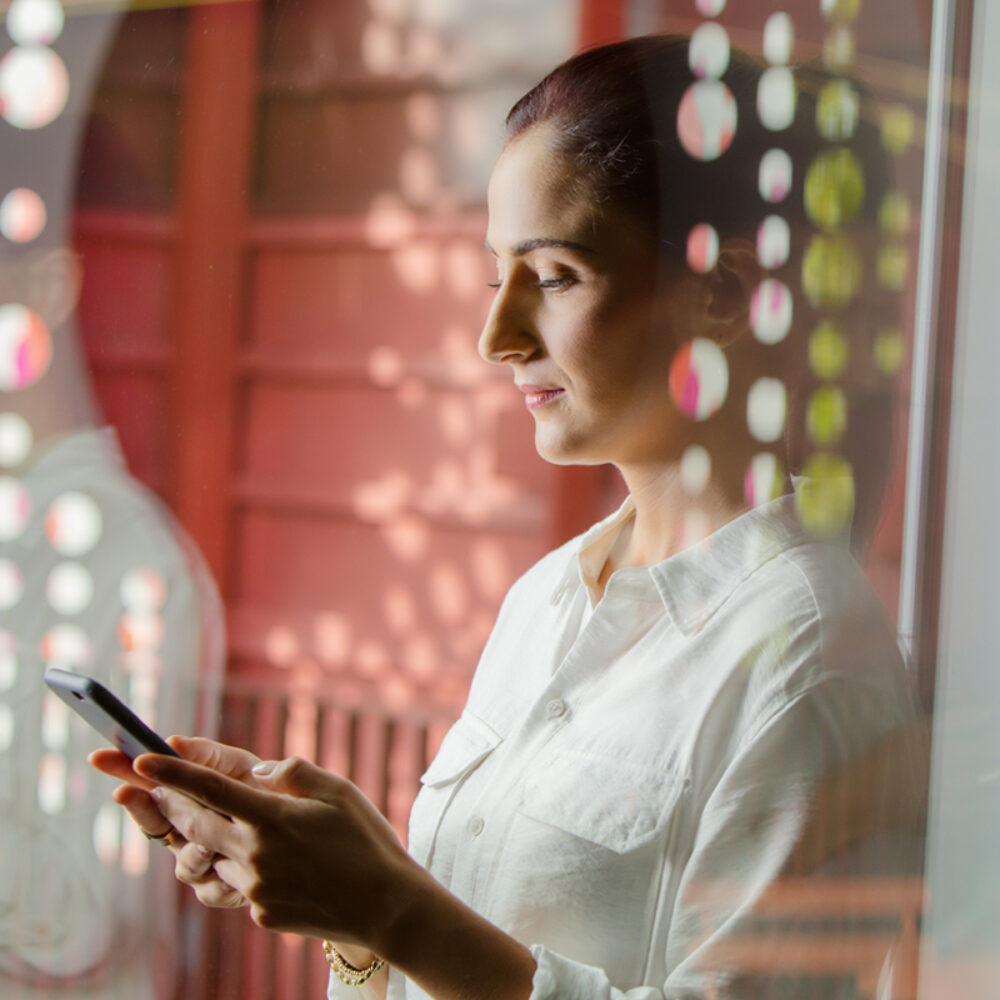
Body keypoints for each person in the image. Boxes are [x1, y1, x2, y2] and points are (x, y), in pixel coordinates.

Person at [90, 36, 924, 1000]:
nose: (496, 336)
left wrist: (392, 907)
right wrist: (352, 908)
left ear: (722, 292)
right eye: (498, 274)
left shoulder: (809, 659)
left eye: (556, 275)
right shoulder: (548, 601)